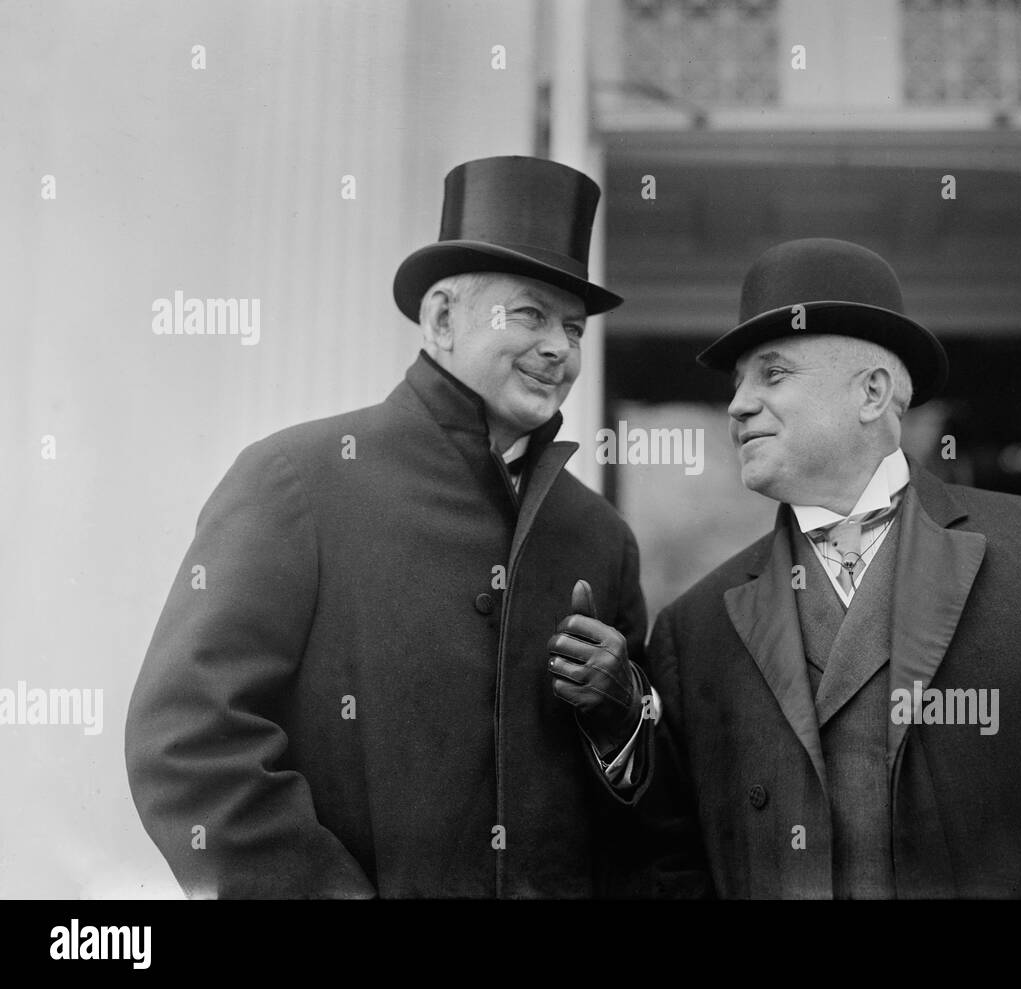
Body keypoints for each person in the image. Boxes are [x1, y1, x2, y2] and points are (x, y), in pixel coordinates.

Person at [125, 156, 656, 898]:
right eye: (531, 315)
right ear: (442, 318)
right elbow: (188, 739)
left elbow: (647, 819)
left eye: (573, 327)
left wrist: (620, 717)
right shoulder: (296, 479)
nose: (559, 349)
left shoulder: (598, 536)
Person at [625, 237, 1021, 898]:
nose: (737, 405)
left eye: (772, 372)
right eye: (736, 383)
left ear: (873, 392)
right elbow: (668, 866)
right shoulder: (691, 629)